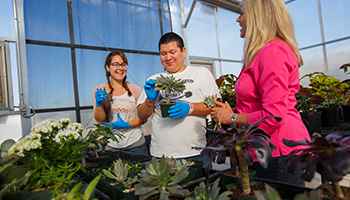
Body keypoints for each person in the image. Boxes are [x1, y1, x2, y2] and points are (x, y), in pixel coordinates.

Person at [210, 0, 310, 185]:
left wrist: (231, 118)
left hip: (277, 150)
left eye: (242, 13)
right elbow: (262, 102)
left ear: (258, 17)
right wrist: (232, 111)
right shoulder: (263, 52)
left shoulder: (272, 52)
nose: (238, 19)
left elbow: (273, 116)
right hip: (266, 148)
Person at [137, 32, 220, 165]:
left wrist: (189, 108)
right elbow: (142, 115)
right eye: (163, 54)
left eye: (172, 52)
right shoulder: (154, 80)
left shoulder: (201, 73)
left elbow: (216, 105)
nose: (168, 57)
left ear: (183, 51)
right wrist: (150, 100)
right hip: (161, 154)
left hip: (196, 152)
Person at [92, 51, 148, 155]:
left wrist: (127, 124)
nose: (120, 68)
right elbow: (100, 120)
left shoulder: (135, 89)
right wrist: (99, 105)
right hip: (109, 145)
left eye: (123, 64)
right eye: (115, 64)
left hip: (135, 144)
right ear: (107, 68)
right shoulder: (99, 90)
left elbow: (143, 118)